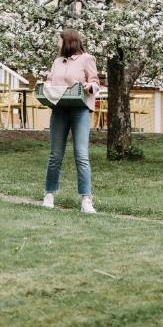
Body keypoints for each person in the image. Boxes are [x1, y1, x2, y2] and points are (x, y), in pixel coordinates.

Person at [42, 28, 100, 214]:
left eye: (59, 40)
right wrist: (47, 83)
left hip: (79, 110)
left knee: (81, 155)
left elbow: (95, 83)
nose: (57, 44)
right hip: (59, 109)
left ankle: (86, 200)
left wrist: (88, 86)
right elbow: (51, 80)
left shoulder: (86, 59)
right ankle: (49, 194)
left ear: (68, 41)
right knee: (55, 155)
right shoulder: (57, 61)